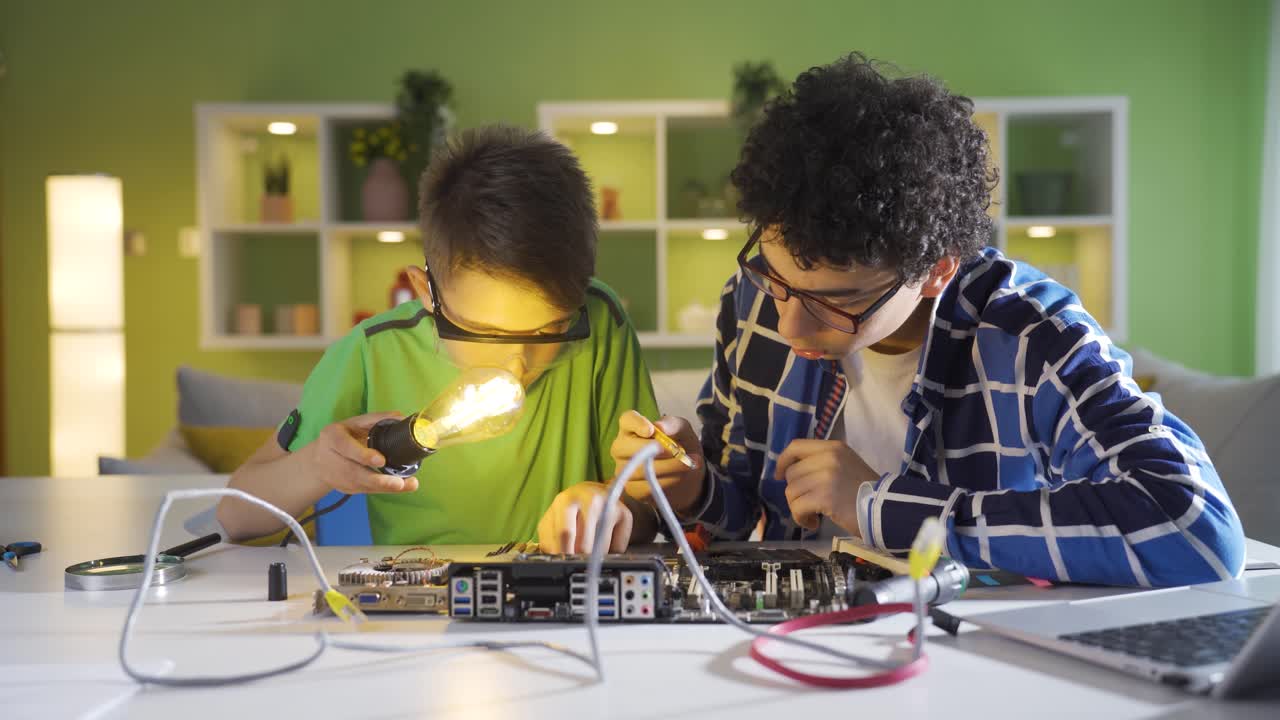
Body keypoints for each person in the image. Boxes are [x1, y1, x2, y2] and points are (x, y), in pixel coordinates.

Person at [596, 53, 1244, 587]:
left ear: (936, 269)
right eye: (777, 280)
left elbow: (1196, 528)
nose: (790, 329)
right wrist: (689, 484)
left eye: (838, 301)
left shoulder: (1031, 335)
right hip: (788, 651)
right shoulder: (756, 302)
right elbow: (746, 518)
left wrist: (880, 507)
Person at [217, 125, 659, 545]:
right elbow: (235, 516)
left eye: (550, 330)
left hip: (569, 600)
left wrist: (612, 505)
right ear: (426, 292)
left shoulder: (599, 321)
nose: (516, 365)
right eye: (484, 332)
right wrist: (316, 466)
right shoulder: (374, 350)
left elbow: (650, 505)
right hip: (425, 605)